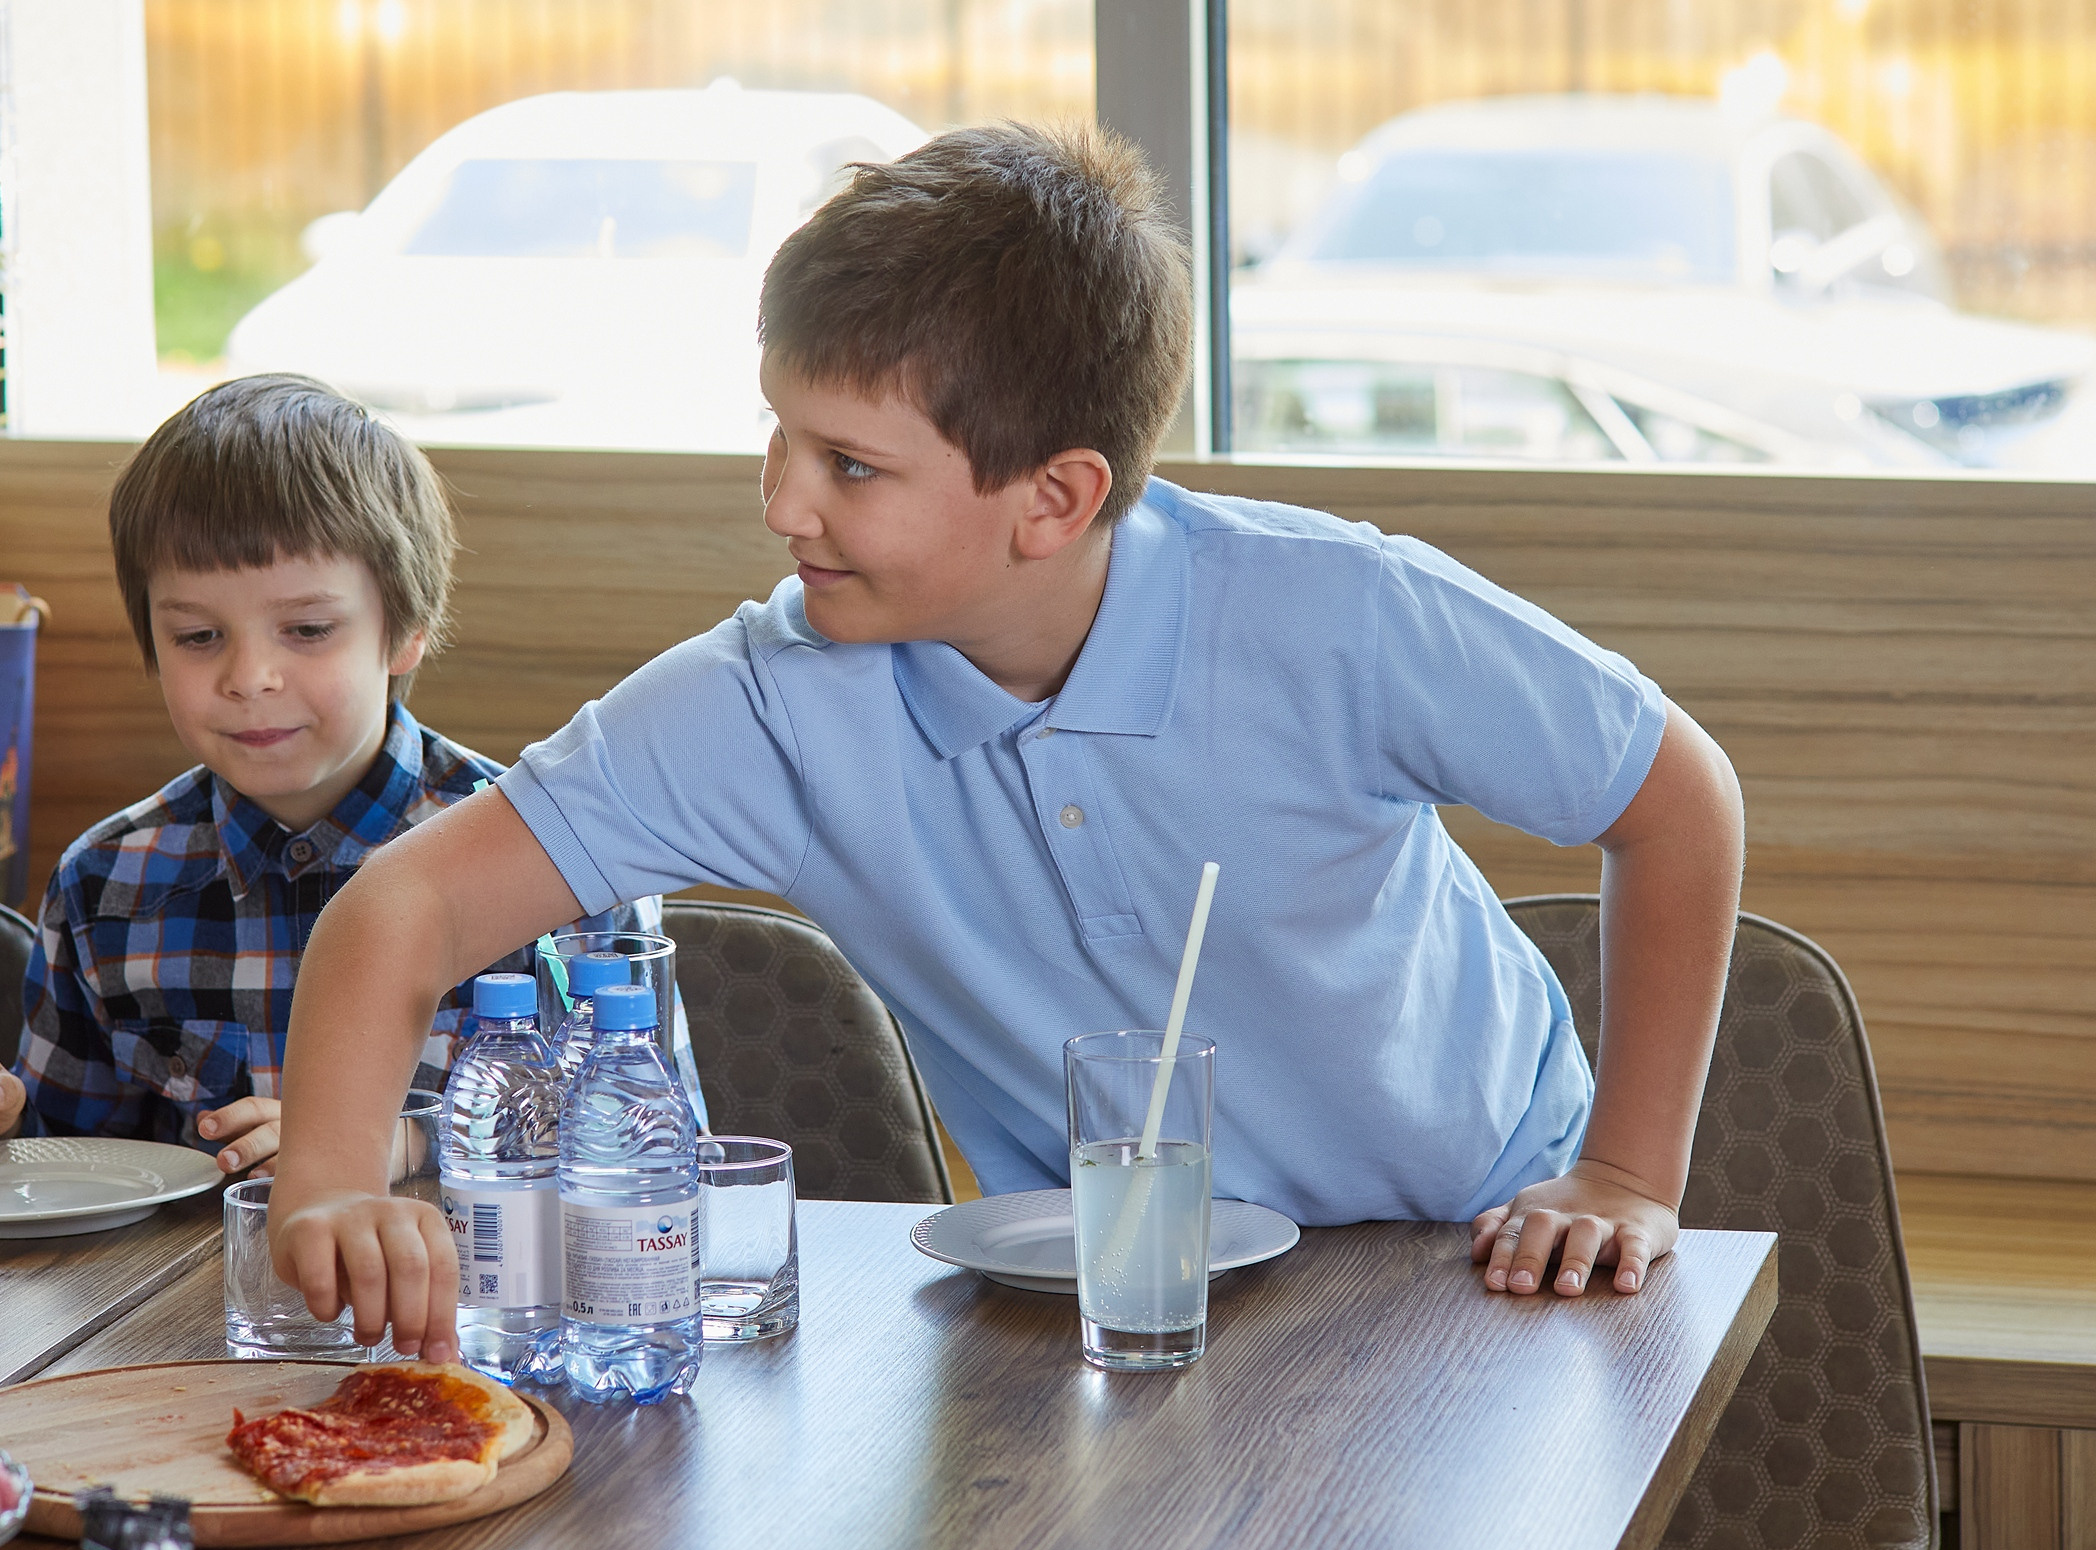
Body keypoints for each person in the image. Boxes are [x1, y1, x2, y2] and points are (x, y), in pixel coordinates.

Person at [266, 124, 1746, 1365]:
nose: (785, 503)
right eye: (779, 434)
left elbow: (1677, 796)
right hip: (1103, 1303)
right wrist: (329, 1184)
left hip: (1485, 1261)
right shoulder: (775, 698)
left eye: (851, 464)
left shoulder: (1343, 611)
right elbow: (408, 905)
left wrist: (1622, 1172)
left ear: (1053, 499)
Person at [0, 374, 688, 1175]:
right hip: (192, 1319)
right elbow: (68, 1169)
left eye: (307, 629)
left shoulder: (563, 863)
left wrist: (402, 1143)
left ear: (404, 633)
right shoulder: (105, 886)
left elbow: (656, 1141)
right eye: (198, 637)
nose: (249, 677)